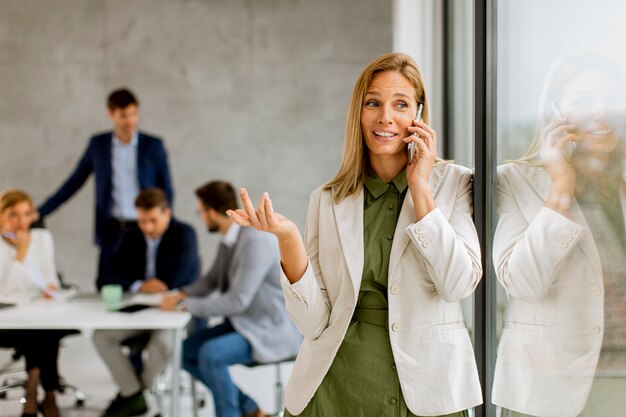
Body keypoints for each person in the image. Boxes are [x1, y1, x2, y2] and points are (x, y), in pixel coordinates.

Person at [228, 53, 483, 416]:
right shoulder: (327, 200)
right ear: (358, 114)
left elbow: (457, 285)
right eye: (373, 103)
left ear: (419, 115)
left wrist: (421, 188)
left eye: (401, 104)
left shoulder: (455, 183)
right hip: (336, 386)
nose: (385, 117)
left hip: (428, 390)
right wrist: (288, 238)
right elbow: (313, 323)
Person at [492, 53, 626, 417]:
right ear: (555, 112)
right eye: (584, 100)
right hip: (546, 390)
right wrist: (561, 187)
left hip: (619, 381)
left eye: (611, 98)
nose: (601, 111)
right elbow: (522, 284)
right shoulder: (518, 181)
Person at [161, 180, 301, 417]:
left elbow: (237, 301)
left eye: (201, 211)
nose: (201, 217)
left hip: (268, 329)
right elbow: (212, 281)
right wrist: (182, 294)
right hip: (244, 324)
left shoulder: (253, 242)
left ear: (212, 213)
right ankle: (251, 409)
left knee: (210, 354)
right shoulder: (230, 240)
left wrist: (184, 305)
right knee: (185, 351)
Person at [37, 88, 174, 278]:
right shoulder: (98, 145)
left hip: (143, 227)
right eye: (123, 115)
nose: (130, 121)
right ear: (111, 114)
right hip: (112, 228)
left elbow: (166, 189)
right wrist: (41, 212)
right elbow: (74, 182)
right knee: (107, 281)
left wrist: (165, 222)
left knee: (144, 282)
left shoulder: (153, 145)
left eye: (134, 114)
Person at [93, 188, 199, 417]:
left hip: (172, 313)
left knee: (162, 346)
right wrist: (139, 284)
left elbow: (180, 279)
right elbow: (105, 277)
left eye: (153, 220)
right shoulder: (131, 235)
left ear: (167, 214)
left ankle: (136, 394)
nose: (147, 227)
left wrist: (161, 284)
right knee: (101, 336)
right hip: (140, 311)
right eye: (142, 221)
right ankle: (133, 393)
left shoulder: (184, 234)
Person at [0, 189, 70, 417]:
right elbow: (5, 291)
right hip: (8, 322)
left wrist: (52, 290)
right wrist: (20, 252)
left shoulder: (42, 238)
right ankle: (46, 394)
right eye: (13, 214)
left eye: (27, 214)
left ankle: (36, 391)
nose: (22, 222)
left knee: (44, 330)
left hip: (39, 314)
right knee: (41, 334)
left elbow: (50, 278)